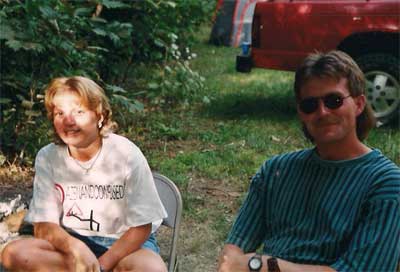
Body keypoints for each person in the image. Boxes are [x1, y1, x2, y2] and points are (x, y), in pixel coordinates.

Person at [218, 50, 400, 272]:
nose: (322, 112)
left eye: (334, 101)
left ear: (359, 104)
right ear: (301, 113)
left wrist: (265, 266)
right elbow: (233, 251)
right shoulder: (275, 171)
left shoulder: (387, 184)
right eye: (310, 105)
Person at [1, 76, 168, 272]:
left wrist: (101, 267)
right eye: (59, 113)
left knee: (150, 269)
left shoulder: (126, 154)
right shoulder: (48, 157)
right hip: (71, 242)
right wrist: (75, 248)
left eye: (79, 112)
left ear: (100, 115)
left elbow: (142, 227)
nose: (68, 121)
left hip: (125, 244)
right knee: (14, 253)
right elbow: (44, 226)